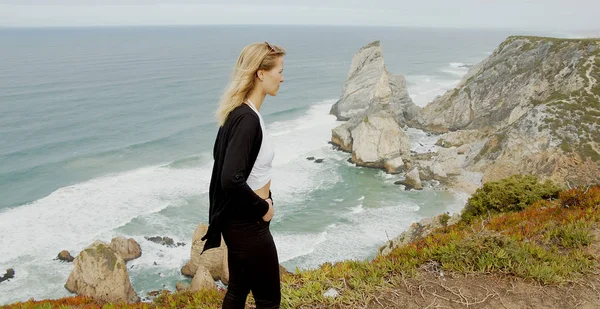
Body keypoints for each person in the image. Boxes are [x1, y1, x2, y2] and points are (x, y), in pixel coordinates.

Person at [201, 41, 285, 309]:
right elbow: (230, 178)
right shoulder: (247, 119)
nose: (282, 77)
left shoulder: (239, 113)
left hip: (240, 223)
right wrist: (263, 207)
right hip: (249, 225)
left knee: (237, 290)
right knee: (269, 300)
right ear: (261, 73)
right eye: (279, 71)